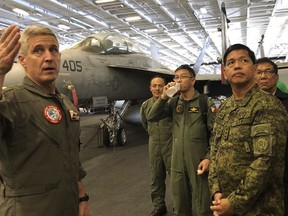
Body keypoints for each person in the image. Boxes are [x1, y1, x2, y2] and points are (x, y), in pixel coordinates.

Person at [0, 25, 91, 216]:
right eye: (38, 50)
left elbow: (72, 159)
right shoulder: (11, 102)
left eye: (53, 50)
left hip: (68, 206)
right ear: (23, 61)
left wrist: (82, 198)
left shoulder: (67, 105)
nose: (48, 57)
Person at [209, 44, 288, 215]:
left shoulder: (266, 105)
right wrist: (215, 190)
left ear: (253, 69)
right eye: (230, 63)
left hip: (259, 207)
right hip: (225, 201)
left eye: (243, 60)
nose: (237, 65)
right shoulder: (225, 107)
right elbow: (215, 148)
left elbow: (265, 161)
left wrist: (234, 202)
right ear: (225, 72)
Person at [147, 64, 216, 216]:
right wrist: (164, 97)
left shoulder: (204, 103)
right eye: (176, 77)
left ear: (193, 80)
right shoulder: (173, 102)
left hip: (198, 160)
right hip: (177, 161)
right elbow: (151, 117)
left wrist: (209, 158)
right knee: (180, 204)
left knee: (202, 204)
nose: (178, 80)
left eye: (183, 77)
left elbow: (216, 135)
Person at [254, 57, 288, 215]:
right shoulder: (248, 105)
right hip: (256, 170)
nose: (263, 76)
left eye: (268, 72)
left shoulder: (286, 102)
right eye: (259, 72)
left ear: (276, 77)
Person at [140, 76, 173, 216]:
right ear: (150, 88)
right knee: (156, 177)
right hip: (154, 144)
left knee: (176, 176)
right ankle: (159, 206)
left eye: (160, 86)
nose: (157, 89)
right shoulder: (146, 106)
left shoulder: (171, 103)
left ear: (165, 87)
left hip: (170, 143)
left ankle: (179, 205)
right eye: (154, 86)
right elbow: (145, 125)